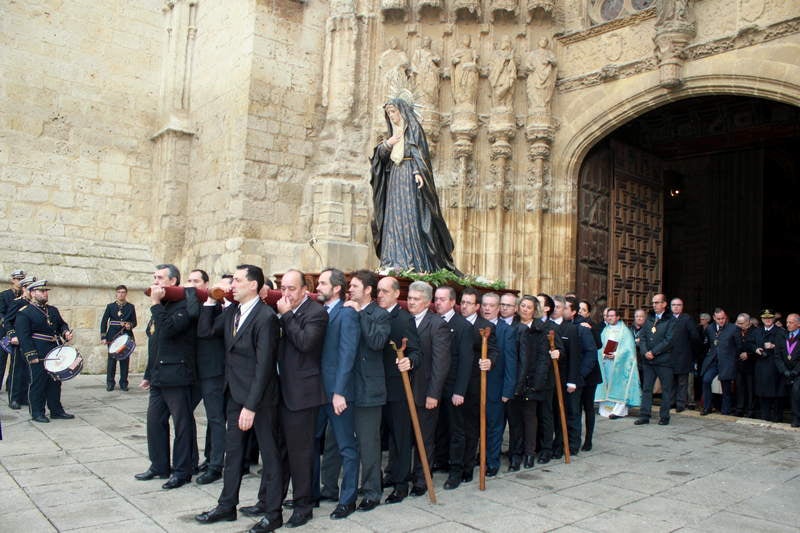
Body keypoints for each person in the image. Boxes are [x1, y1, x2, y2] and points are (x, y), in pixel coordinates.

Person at [194, 265, 283, 531]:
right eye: (232, 280)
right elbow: (206, 331)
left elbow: (264, 366)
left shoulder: (266, 317)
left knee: (270, 455)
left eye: (238, 280)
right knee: (232, 454)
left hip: (260, 400)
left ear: (254, 285)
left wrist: (251, 406)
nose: (232, 285)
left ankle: (273, 513)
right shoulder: (232, 311)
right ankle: (226, 506)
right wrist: (210, 301)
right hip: (234, 394)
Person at [370, 97, 458, 273]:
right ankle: (393, 260)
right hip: (395, 178)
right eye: (388, 113)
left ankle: (414, 261)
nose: (391, 116)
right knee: (393, 218)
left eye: (393, 111)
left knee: (410, 216)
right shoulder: (393, 134)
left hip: (409, 177)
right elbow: (380, 156)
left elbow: (420, 153)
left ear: (402, 111)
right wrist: (388, 144)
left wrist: (418, 172)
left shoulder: (414, 129)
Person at [135, 264, 197, 489]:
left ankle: (182, 470)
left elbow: (170, 330)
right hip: (159, 375)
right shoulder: (162, 306)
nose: (155, 282)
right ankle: (159, 465)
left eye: (160, 278)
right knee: (154, 422)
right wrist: (148, 374)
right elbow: (155, 342)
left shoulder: (184, 306)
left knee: (182, 425)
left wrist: (155, 305)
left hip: (177, 374)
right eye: (154, 277)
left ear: (173, 282)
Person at [274, 270, 328, 528]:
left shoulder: (316, 313)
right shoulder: (284, 310)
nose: (286, 293)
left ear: (305, 289)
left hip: (303, 395)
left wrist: (286, 315)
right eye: (283, 288)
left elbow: (305, 343)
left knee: (301, 454)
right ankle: (272, 500)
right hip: (280, 392)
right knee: (279, 452)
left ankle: (303, 506)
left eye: (291, 288)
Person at [313, 268, 359, 519]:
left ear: (337, 288)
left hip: (337, 394)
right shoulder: (319, 312)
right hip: (315, 392)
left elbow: (347, 355)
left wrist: (340, 391)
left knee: (346, 447)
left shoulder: (347, 314)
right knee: (312, 443)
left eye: (322, 283)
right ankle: (316, 492)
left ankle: (348, 498)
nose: (317, 287)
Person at [343, 269, 390, 512]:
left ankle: (372, 491)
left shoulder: (380, 315)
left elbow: (376, 342)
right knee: (335, 442)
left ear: (368, 290)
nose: (349, 289)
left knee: (369, 443)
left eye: (354, 286)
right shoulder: (345, 309)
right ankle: (333, 488)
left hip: (369, 390)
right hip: (344, 388)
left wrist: (360, 314)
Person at [399, 281, 450, 495]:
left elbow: (441, 363)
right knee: (402, 437)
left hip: (425, 392)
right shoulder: (404, 321)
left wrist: (433, 394)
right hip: (403, 391)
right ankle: (400, 474)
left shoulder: (437, 324)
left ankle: (421, 480)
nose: (411, 302)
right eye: (410, 298)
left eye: (416, 299)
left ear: (428, 302)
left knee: (424, 438)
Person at [378, 276, 421, 501]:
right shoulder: (372, 314)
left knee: (400, 438)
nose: (380, 295)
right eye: (378, 291)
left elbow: (416, 351)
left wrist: (410, 361)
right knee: (379, 437)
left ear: (396, 294)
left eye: (385, 291)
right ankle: (388, 475)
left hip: (397, 388)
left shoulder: (405, 319)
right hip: (375, 388)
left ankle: (401, 483)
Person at [189, 272, 230, 485]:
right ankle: (205, 458)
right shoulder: (207, 306)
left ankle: (215, 465)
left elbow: (206, 332)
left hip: (215, 372)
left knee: (215, 419)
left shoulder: (229, 310)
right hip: (199, 371)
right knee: (205, 418)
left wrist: (212, 301)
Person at [15, 280, 75, 423]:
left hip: (54, 350)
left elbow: (61, 324)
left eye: (46, 291)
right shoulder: (25, 313)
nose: (45, 293)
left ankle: (56, 410)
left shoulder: (52, 310)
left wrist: (65, 332)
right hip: (37, 351)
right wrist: (31, 354)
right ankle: (37, 412)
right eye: (42, 291)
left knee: (55, 382)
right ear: (33, 293)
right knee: (38, 382)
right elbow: (24, 336)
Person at [431, 286, 472, 488]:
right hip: (434, 386)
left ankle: (456, 470)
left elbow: (466, 361)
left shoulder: (462, 326)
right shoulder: (432, 320)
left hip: (453, 386)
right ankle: (440, 460)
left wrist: (459, 391)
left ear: (452, 302)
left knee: (456, 430)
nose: (438, 303)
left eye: (442, 299)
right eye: (436, 299)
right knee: (438, 427)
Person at [455, 288, 496, 485]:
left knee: (471, 427)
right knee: (454, 426)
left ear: (477, 306)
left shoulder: (485, 327)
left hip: (473, 383)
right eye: (462, 302)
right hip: (454, 382)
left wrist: (490, 361)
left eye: (469, 303)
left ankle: (467, 466)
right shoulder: (453, 322)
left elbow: (494, 351)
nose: (464, 306)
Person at [513, 296, 552, 469]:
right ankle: (516, 452)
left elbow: (544, 359)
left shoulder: (541, 329)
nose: (525, 309)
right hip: (514, 379)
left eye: (529, 307)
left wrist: (536, 383)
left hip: (532, 381)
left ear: (534, 310)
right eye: (523, 306)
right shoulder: (512, 326)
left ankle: (529, 453)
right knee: (514, 419)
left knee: (530, 419)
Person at [480, 292, 516, 475]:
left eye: (491, 305)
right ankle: (480, 457)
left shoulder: (506, 331)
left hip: (496, 387)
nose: (487, 308)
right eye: (484, 304)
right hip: (475, 387)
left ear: (498, 308)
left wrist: (507, 391)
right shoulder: (476, 326)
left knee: (494, 427)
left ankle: (492, 462)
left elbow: (510, 363)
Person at [566, 297, 602, 451]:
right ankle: (574, 438)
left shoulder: (589, 325)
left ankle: (588, 439)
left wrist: (590, 329)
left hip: (589, 374)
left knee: (588, 407)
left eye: (583, 310)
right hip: (575, 373)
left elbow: (597, 346)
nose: (580, 312)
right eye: (578, 309)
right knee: (575, 408)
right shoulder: (569, 325)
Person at [595, 308, 641, 419]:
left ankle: (618, 411)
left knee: (619, 386)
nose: (609, 318)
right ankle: (605, 410)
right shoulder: (605, 330)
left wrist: (616, 355)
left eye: (612, 315)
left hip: (620, 365)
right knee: (606, 385)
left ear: (618, 317)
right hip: (606, 363)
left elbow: (629, 350)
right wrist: (603, 354)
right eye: (608, 316)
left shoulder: (624, 331)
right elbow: (600, 345)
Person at [636, 293, 674, 426]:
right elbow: (643, 337)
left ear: (664, 304)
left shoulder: (671, 320)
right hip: (648, 361)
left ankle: (664, 416)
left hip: (664, 361)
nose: (654, 305)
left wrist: (654, 352)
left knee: (666, 389)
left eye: (657, 302)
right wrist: (645, 352)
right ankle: (644, 415)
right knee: (647, 388)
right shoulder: (649, 318)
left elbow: (668, 340)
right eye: (653, 303)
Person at [4, 275, 36, 409]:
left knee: (29, 371)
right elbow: (7, 321)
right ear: (24, 288)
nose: (32, 292)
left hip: (32, 341)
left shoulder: (35, 305)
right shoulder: (17, 303)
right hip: (20, 342)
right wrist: (13, 336)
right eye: (30, 289)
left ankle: (24, 397)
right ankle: (14, 398)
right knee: (17, 370)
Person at [700, 308, 738, 415]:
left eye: (723, 318)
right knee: (706, 380)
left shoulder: (733, 328)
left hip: (727, 362)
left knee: (726, 387)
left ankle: (725, 410)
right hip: (713, 361)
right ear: (714, 318)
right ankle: (707, 407)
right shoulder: (709, 328)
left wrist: (733, 360)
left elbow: (738, 346)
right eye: (718, 319)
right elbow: (708, 344)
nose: (721, 321)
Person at [100, 285, 137, 392]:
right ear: (116, 293)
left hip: (125, 336)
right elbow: (104, 322)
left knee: (125, 360)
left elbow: (134, 322)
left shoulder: (131, 307)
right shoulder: (110, 306)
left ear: (126, 294)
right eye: (119, 292)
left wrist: (130, 325)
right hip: (112, 336)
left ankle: (124, 383)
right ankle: (110, 383)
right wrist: (103, 336)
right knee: (112, 360)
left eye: (123, 292)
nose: (121, 294)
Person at [754, 309, 785, 422]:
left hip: (774, 367)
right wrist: (755, 349)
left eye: (770, 318)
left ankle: (777, 418)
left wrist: (774, 346)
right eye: (765, 318)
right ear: (762, 319)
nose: (767, 320)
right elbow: (749, 343)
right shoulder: (757, 331)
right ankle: (764, 417)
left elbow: (788, 347)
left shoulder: (780, 331)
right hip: (761, 366)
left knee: (776, 394)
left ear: (773, 319)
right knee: (763, 394)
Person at [668, 298, 699, 412]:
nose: (676, 307)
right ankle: (671, 402)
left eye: (678, 305)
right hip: (670, 355)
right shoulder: (667, 318)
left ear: (682, 306)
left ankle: (680, 404)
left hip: (684, 355)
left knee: (682, 381)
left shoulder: (687, 319)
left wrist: (690, 351)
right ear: (670, 307)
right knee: (671, 381)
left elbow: (694, 336)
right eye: (674, 305)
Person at [0, 269, 25, 389]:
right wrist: (8, 324)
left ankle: (11, 386)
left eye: (22, 279)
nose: (20, 282)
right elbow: (1, 313)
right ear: (12, 280)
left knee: (16, 362)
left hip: (19, 332)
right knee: (1, 359)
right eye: (18, 279)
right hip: (5, 331)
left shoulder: (25, 297)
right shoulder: (4, 295)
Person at [775, 313, 800, 427]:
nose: (788, 325)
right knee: (779, 391)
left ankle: (796, 418)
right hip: (785, 371)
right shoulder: (782, 336)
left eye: (791, 322)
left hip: (797, 372)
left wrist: (795, 371)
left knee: (796, 391)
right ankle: (776, 416)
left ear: (798, 324)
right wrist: (784, 370)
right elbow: (777, 356)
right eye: (787, 322)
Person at [734, 313, 758, 417]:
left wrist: (748, 355)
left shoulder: (756, 331)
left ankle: (750, 410)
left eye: (741, 323)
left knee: (750, 389)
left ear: (748, 322)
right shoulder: (737, 331)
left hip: (751, 365)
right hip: (739, 365)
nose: (739, 325)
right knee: (739, 387)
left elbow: (759, 348)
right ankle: (739, 408)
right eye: (738, 323)